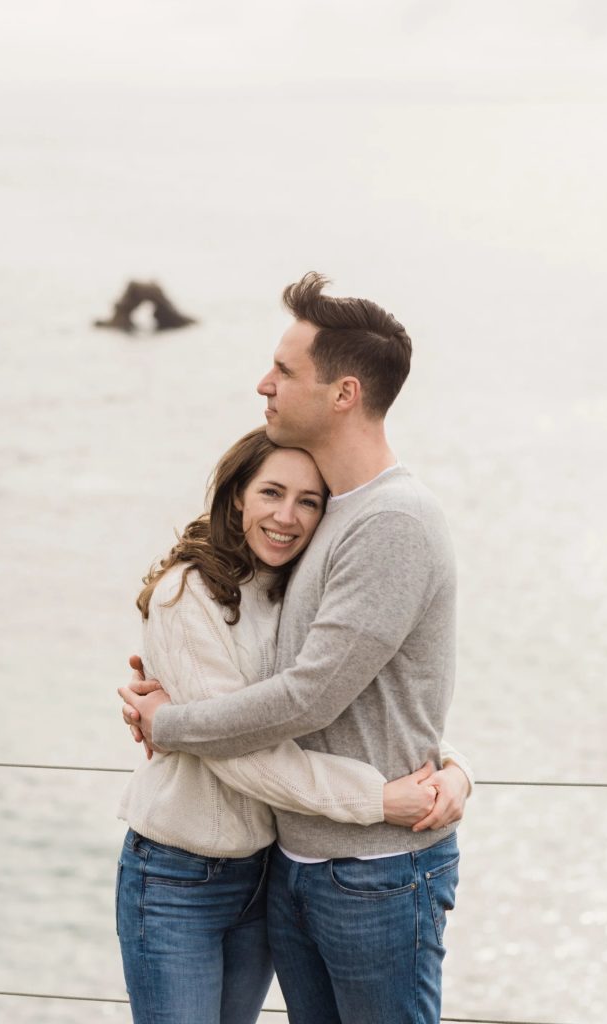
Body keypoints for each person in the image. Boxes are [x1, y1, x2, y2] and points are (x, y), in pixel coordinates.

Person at [120, 272, 462, 1024]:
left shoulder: (391, 522)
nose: (263, 384)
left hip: (371, 868)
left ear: (341, 394)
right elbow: (375, 680)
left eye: (285, 371)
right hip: (299, 864)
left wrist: (170, 725)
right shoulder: (330, 518)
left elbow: (311, 693)